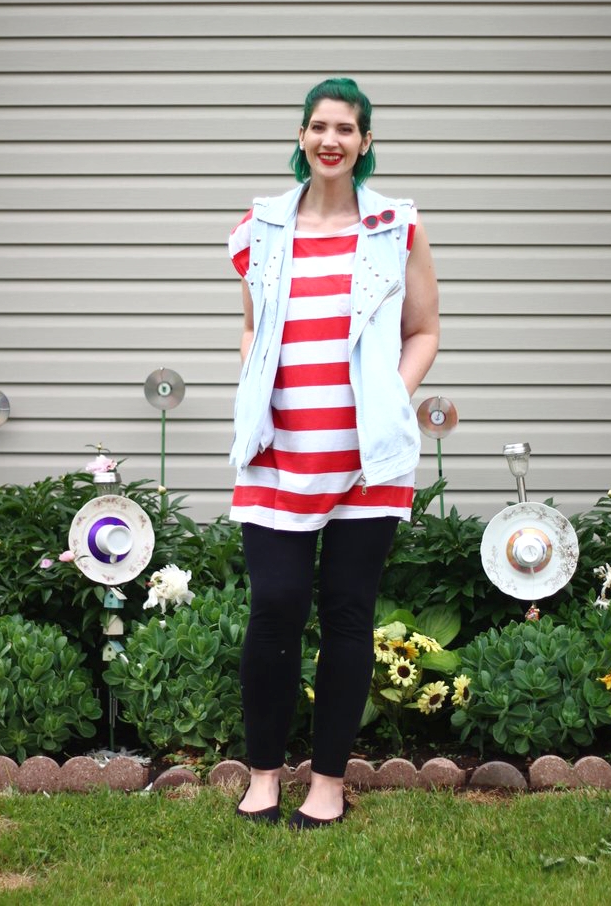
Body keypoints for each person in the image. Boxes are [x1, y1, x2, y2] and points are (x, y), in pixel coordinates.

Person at [228, 77, 439, 828]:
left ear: (365, 143)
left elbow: (423, 331)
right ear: (300, 137)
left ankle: (325, 782)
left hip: (366, 458)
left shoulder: (396, 228)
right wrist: (254, 388)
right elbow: (254, 327)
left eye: (346, 129)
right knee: (275, 607)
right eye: (318, 126)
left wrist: (386, 395)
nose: (330, 139)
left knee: (347, 615)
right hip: (277, 452)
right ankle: (261, 774)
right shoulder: (261, 227)